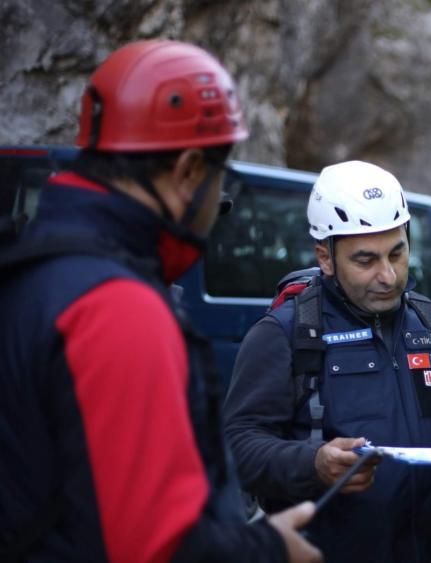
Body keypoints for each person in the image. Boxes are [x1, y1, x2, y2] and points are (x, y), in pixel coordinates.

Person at [0, 40, 320, 562]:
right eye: (219, 182)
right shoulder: (117, 308)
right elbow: (153, 545)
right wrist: (266, 549)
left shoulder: (38, 272)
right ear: (190, 172)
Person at [223, 160, 431, 562]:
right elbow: (237, 447)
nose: (388, 276)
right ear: (325, 257)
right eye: (366, 261)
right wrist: (314, 463)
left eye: (397, 253)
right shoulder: (286, 334)